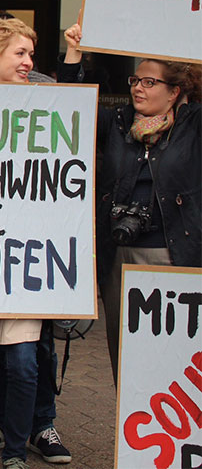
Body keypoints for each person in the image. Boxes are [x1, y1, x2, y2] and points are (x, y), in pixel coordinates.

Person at [0, 15, 82, 469]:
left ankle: (18, 445)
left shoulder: (44, 93)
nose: (29, 62)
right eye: (20, 53)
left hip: (26, 261)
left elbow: (74, 117)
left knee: (26, 363)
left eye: (31, 53)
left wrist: (72, 56)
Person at [78, 33, 201, 382]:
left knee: (176, 352)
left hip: (174, 256)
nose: (138, 88)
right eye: (135, 80)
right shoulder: (117, 123)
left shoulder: (193, 125)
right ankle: (131, 433)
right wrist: (73, 54)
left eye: (150, 82)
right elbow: (68, 105)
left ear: (174, 92)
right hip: (120, 257)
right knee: (126, 351)